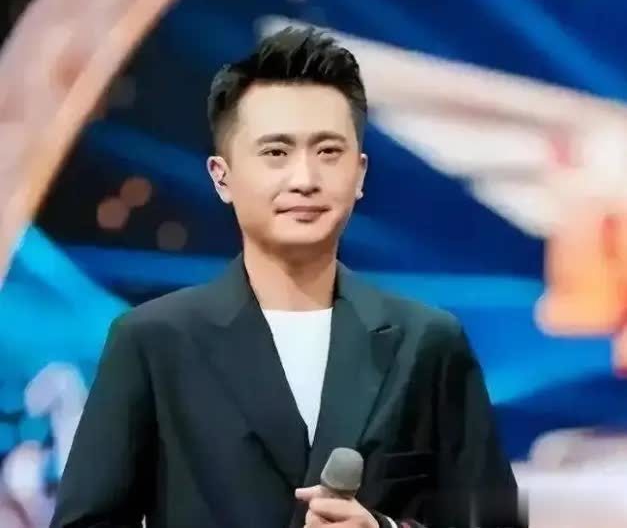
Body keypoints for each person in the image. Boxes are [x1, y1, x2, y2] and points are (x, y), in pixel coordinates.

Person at [51, 27, 522, 528]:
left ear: (360, 174)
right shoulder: (153, 342)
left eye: (328, 152)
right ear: (222, 176)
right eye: (276, 152)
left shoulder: (428, 343)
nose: (304, 179)